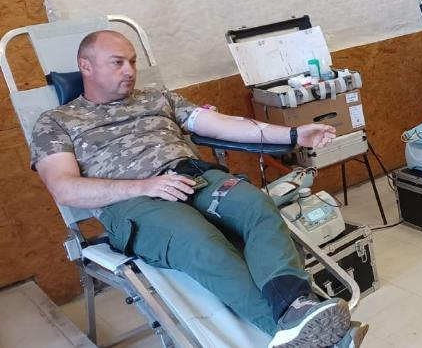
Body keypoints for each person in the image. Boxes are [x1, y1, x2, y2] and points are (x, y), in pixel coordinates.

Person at [29, 30, 367, 348]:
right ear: (86, 67)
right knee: (199, 241)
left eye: (132, 61)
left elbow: (224, 124)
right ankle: (311, 337)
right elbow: (65, 189)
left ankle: (296, 307)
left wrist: (293, 135)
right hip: (134, 201)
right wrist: (147, 185)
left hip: (195, 178)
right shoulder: (57, 121)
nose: (130, 71)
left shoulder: (157, 98)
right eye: (117, 62)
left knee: (257, 207)